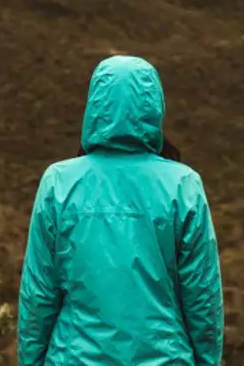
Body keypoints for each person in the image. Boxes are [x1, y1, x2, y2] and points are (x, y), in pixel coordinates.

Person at [16, 55, 223, 366]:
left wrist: (30, 361)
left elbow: (40, 294)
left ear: (95, 105)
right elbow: (202, 297)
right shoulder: (183, 185)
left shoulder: (59, 182)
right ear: (155, 106)